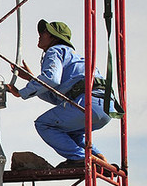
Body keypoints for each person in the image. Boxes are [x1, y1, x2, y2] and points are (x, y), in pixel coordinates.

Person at [7, 19, 113, 167]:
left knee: (44, 124)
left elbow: (51, 79)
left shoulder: (55, 50)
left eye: (44, 32)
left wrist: (21, 93)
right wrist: (32, 79)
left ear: (54, 37)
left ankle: (79, 158)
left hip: (89, 101)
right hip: (105, 106)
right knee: (70, 131)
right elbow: (58, 97)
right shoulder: (72, 57)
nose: (40, 35)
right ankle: (97, 157)